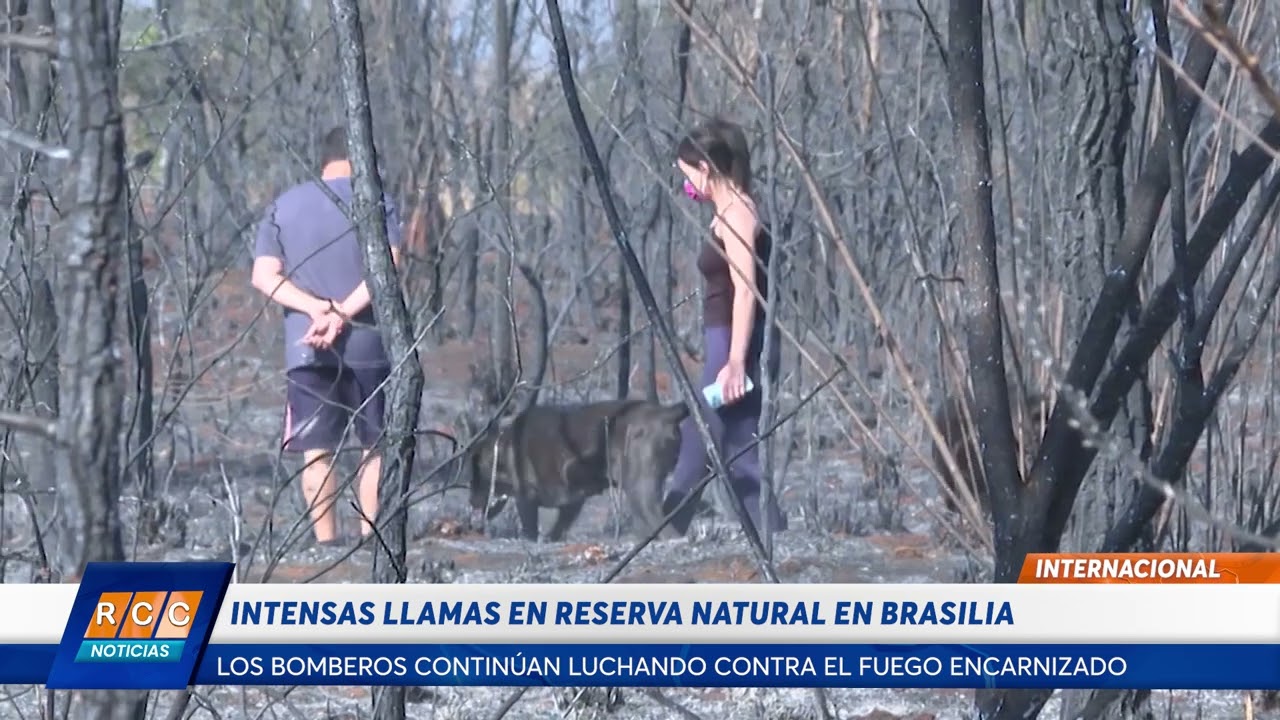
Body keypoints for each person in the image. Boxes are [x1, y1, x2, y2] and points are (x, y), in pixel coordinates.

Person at [250, 126, 402, 547]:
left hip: (307, 348)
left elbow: (263, 277)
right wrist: (342, 312)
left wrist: (316, 309)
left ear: (324, 158)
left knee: (318, 450)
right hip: (368, 344)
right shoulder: (377, 202)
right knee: (374, 447)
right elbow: (388, 267)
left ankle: (326, 545)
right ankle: (372, 543)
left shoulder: (284, 205)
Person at [662, 117, 787, 540]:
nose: (687, 184)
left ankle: (663, 532)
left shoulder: (738, 213)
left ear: (708, 168)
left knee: (714, 444)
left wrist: (735, 361)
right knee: (725, 446)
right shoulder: (728, 211)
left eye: (688, 174)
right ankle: (770, 539)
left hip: (735, 343)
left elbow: (747, 290)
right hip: (724, 338)